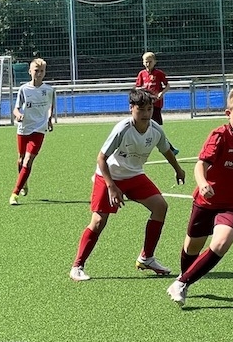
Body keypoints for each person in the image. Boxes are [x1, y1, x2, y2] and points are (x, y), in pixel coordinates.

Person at [166, 88, 233, 307]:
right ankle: (185, 277)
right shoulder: (219, 136)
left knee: (222, 242)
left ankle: (181, 283)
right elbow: (201, 164)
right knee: (192, 247)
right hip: (208, 200)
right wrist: (202, 183)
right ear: (228, 113)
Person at [70, 88, 186, 281]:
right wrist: (111, 187)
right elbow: (101, 159)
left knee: (160, 207)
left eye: (149, 109)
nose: (146, 114)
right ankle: (77, 266)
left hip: (134, 175)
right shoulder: (122, 129)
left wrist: (178, 169)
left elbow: (166, 150)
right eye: (141, 109)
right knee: (98, 221)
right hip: (109, 176)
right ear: (131, 108)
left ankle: (146, 258)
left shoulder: (156, 130)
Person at [10, 58, 55, 206]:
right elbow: (16, 109)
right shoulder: (24, 89)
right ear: (30, 71)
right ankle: (24, 182)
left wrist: (49, 119)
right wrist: (18, 115)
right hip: (24, 128)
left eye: (42, 71)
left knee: (28, 160)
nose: (39, 73)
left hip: (39, 129)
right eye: (36, 70)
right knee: (21, 159)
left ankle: (15, 193)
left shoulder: (49, 90)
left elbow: (51, 105)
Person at [135, 52, 170, 126]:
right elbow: (137, 87)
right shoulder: (141, 74)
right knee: (146, 122)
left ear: (155, 62)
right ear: (143, 63)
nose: (148, 64)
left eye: (150, 62)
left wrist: (161, 93)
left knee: (157, 123)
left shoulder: (159, 73)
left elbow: (167, 85)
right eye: (146, 62)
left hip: (156, 102)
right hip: (145, 103)